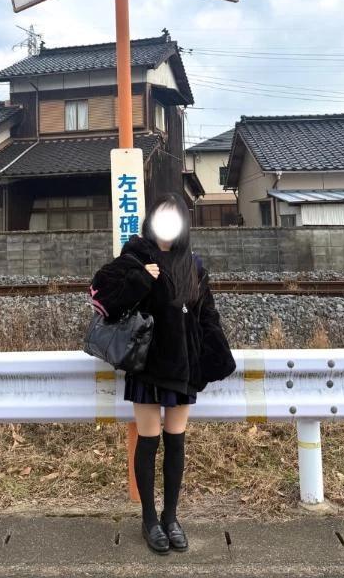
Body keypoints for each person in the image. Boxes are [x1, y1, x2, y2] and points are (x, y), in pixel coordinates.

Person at [88, 192, 236, 555]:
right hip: (147, 365)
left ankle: (171, 518)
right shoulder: (135, 256)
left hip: (182, 366)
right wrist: (140, 278)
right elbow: (101, 297)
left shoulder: (193, 264)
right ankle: (149, 520)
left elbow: (207, 315)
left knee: (176, 442)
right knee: (148, 442)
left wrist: (216, 358)